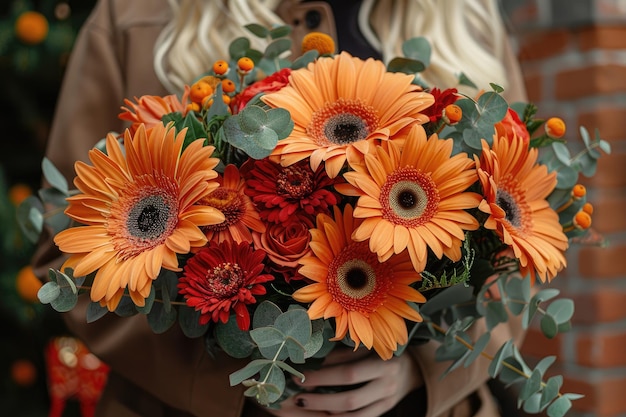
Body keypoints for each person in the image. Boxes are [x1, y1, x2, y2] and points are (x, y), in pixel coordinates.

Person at [31, 1, 528, 416]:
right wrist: (244, 378)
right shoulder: (137, 16)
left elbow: (518, 250)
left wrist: (424, 369)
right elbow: (68, 251)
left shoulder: (466, 17)